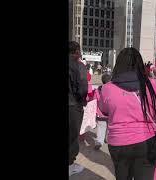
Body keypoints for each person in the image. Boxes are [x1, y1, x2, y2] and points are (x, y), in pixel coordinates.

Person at [98, 48, 156, 180]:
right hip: (147, 142)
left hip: (118, 143)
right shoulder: (153, 85)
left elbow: (103, 111)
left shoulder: (107, 88)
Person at [68, 41, 88, 176]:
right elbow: (82, 89)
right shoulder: (79, 66)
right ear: (76, 51)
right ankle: (70, 165)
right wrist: (82, 101)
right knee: (72, 136)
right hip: (73, 105)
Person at [94, 71, 112, 150]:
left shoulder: (98, 90)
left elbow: (95, 100)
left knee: (101, 127)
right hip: (110, 113)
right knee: (109, 127)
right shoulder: (113, 90)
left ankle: (99, 141)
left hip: (100, 113)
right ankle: (107, 139)